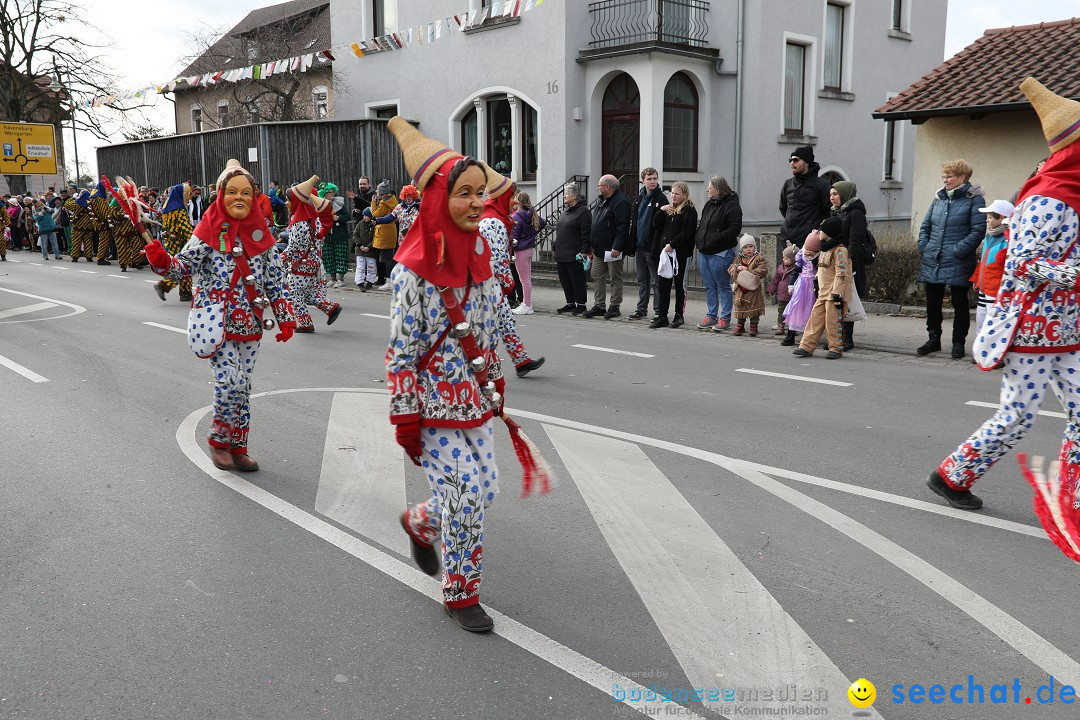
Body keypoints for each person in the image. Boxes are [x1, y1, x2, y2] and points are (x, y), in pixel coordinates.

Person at [927, 78, 1080, 539]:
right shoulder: (1047, 198)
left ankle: (1072, 499)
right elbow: (1022, 261)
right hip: (1029, 331)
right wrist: (1073, 272)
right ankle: (952, 475)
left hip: (1068, 330)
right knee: (1018, 416)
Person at [385, 117, 507, 632]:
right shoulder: (410, 272)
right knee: (463, 495)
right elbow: (401, 352)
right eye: (465, 194)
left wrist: (495, 378)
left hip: (473, 401)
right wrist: (405, 417)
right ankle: (461, 593)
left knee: (486, 489)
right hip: (433, 406)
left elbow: (490, 327)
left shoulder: (482, 255)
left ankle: (418, 521)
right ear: (439, 197)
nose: (478, 203)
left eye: (482, 193)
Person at [142, 159, 297, 471]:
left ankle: (239, 446)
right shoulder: (208, 229)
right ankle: (218, 439)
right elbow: (183, 267)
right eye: (231, 192)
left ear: (255, 197)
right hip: (216, 321)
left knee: (245, 387)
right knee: (230, 381)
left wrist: (286, 315)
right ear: (221, 195)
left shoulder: (261, 234)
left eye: (245, 193)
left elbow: (276, 278)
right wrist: (161, 260)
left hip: (251, 320)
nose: (238, 198)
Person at [916, 159, 985, 359]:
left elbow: (978, 230)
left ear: (962, 177)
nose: (945, 180)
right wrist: (924, 246)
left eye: (949, 176)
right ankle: (933, 339)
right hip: (933, 257)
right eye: (944, 176)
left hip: (959, 259)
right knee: (933, 303)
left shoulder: (974, 199)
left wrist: (958, 250)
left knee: (959, 303)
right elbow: (925, 226)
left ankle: (958, 343)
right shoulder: (939, 197)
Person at [481, 167, 545, 377]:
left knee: (505, 322)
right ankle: (482, 369)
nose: (515, 202)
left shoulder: (493, 217)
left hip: (489, 284)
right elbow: (498, 260)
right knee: (489, 329)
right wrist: (508, 284)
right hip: (488, 285)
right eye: (512, 197)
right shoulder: (494, 221)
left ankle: (521, 361)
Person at [284, 177, 342, 332]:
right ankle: (331, 308)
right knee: (308, 293)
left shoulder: (299, 222)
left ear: (295, 202)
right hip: (313, 261)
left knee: (294, 292)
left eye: (288, 200)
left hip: (303, 263)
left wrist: (278, 259)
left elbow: (294, 248)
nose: (286, 203)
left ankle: (305, 323)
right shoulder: (312, 218)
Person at [793, 217, 850, 359]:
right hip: (823, 293)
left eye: (821, 230)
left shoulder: (840, 250)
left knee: (832, 322)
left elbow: (841, 273)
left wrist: (837, 293)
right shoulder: (824, 248)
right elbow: (820, 269)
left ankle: (836, 348)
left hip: (833, 294)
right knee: (815, 319)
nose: (819, 233)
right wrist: (816, 283)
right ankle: (806, 346)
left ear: (830, 232)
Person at [694, 175, 742, 330]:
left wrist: (716, 238)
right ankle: (711, 315)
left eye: (710, 187)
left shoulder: (732, 206)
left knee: (723, 285)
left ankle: (725, 317)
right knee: (709, 286)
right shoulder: (709, 204)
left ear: (719, 189)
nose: (707, 189)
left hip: (721, 252)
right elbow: (703, 225)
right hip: (705, 251)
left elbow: (734, 229)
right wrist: (699, 238)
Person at [648, 181, 698, 329]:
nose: (673, 196)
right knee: (663, 285)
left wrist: (672, 244)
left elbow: (687, 233)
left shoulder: (689, 210)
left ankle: (678, 315)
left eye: (677, 193)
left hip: (681, 254)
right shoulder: (670, 209)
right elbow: (656, 226)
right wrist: (661, 211)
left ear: (684, 195)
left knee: (679, 285)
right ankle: (662, 315)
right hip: (666, 254)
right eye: (672, 193)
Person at [584, 175, 630, 319]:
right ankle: (599, 305)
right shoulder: (602, 200)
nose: (598, 188)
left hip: (612, 249)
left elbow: (622, 227)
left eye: (600, 186)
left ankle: (615, 306)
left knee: (615, 278)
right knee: (597, 276)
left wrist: (617, 246)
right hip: (598, 248)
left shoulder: (621, 202)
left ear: (608, 187)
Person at [829, 181, 868, 351]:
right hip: (835, 261)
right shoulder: (836, 212)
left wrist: (848, 262)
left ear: (845, 194)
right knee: (836, 299)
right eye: (830, 194)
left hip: (849, 262)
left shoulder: (855, 213)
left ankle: (847, 338)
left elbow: (855, 240)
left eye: (835, 194)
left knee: (846, 300)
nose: (832, 198)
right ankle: (836, 336)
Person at [628, 167, 668, 320]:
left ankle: (658, 311)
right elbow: (636, 222)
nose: (653, 181)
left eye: (655, 178)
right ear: (643, 180)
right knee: (641, 280)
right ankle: (641, 309)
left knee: (656, 281)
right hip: (639, 245)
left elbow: (661, 225)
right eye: (649, 179)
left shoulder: (661, 199)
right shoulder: (639, 198)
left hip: (652, 247)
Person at [969, 199, 1014, 335]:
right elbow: (983, 261)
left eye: (989, 217)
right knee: (981, 319)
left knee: (991, 321)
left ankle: (989, 350)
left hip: (995, 289)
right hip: (984, 287)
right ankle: (980, 348)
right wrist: (977, 280)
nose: (987, 221)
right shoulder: (990, 235)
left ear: (1002, 217)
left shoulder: (1009, 238)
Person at [779, 145, 831, 251]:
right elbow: (783, 208)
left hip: (809, 243)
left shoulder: (821, 185)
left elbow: (828, 212)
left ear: (806, 162)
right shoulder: (788, 184)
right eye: (790, 160)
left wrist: (817, 232)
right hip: (787, 241)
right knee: (786, 268)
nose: (792, 163)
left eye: (796, 160)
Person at [553, 183, 592, 315]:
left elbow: (586, 233)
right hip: (562, 251)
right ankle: (570, 302)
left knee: (577, 280)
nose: (564, 195)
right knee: (565, 279)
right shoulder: (565, 212)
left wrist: (584, 252)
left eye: (567, 193)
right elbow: (559, 230)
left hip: (575, 253)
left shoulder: (583, 212)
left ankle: (581, 304)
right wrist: (554, 246)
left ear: (574, 196)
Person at [154, 184, 195, 302]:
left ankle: (184, 292)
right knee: (184, 267)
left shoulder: (167, 208)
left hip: (171, 242)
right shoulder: (179, 210)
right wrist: (192, 242)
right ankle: (165, 286)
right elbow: (185, 228)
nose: (189, 197)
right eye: (187, 194)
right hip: (181, 243)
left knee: (177, 267)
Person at [510, 190, 545, 315]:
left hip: (520, 250)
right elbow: (543, 223)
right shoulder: (532, 213)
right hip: (529, 248)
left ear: (519, 201)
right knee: (527, 278)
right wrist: (531, 235)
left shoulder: (516, 216)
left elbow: (515, 236)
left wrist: (511, 244)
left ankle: (527, 304)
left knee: (523, 279)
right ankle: (526, 303)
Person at [728, 234, 768, 336]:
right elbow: (731, 269)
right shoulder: (738, 259)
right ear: (742, 249)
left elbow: (763, 270)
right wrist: (737, 268)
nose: (748, 249)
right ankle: (740, 326)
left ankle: (753, 326)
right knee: (740, 306)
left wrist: (748, 271)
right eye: (745, 247)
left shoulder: (759, 258)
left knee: (753, 307)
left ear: (754, 246)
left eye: (750, 246)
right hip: (740, 288)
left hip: (753, 288)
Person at [783, 236, 819, 344]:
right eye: (807, 249)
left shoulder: (820, 257)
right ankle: (790, 335)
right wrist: (791, 284)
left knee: (811, 310)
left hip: (813, 285)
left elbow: (820, 268)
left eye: (811, 250)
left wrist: (814, 258)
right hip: (801, 284)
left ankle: (808, 337)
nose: (808, 252)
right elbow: (796, 270)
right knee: (796, 308)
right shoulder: (801, 255)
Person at [318, 183, 350, 287]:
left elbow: (347, 217)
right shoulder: (321, 205)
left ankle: (341, 279)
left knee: (340, 257)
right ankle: (332, 278)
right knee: (329, 257)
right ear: (324, 194)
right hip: (327, 236)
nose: (332, 194)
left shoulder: (339, 204)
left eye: (333, 192)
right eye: (329, 193)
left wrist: (339, 218)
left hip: (339, 235)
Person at [371, 180, 399, 289]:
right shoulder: (392, 201)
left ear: (382, 192)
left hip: (385, 232)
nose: (376, 194)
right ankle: (390, 279)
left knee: (387, 258)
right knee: (389, 257)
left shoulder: (384, 203)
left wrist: (373, 203)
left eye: (378, 192)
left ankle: (390, 281)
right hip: (390, 230)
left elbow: (376, 214)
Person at [767, 245, 798, 335]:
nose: (784, 260)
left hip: (792, 295)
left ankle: (792, 328)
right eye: (783, 258)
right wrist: (771, 290)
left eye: (786, 258)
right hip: (782, 294)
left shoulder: (797, 269)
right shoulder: (780, 268)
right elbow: (775, 280)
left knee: (793, 312)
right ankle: (780, 326)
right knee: (781, 311)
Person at [352, 207, 378, 290]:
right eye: (364, 215)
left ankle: (370, 282)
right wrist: (360, 245)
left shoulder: (375, 225)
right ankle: (360, 282)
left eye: (367, 216)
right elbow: (355, 235)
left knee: (371, 266)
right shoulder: (360, 224)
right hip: (360, 250)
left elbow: (376, 237)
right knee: (360, 267)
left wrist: (369, 247)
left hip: (371, 250)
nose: (365, 217)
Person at [65, 190, 94, 262]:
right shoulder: (91, 204)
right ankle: (89, 256)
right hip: (89, 227)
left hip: (78, 227)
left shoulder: (77, 203)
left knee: (76, 242)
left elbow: (67, 205)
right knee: (88, 242)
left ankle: (75, 256)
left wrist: (73, 198)